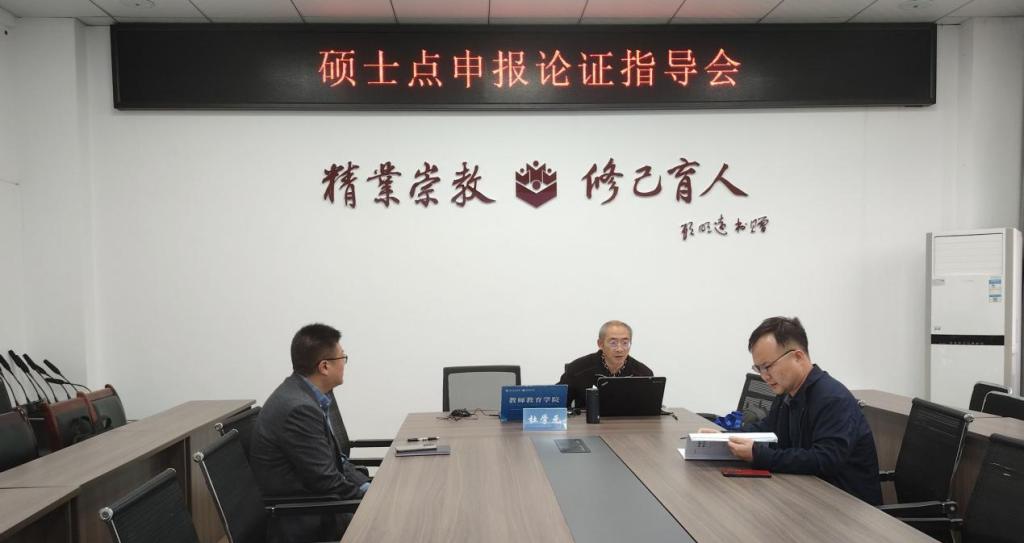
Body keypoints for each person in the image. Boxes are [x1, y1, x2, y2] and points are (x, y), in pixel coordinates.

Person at [722, 316, 882, 505]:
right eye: (759, 369)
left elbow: (824, 459)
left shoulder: (832, 398)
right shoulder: (787, 393)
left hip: (848, 507)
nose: (764, 376)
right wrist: (722, 437)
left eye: (767, 367)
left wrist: (759, 455)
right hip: (809, 496)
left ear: (797, 357)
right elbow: (766, 428)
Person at [250, 323, 370, 542]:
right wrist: (372, 500)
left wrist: (367, 487)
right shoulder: (299, 409)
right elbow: (327, 481)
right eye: (342, 357)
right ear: (324, 366)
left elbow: (336, 461)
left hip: (318, 505)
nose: (344, 364)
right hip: (308, 520)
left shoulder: (307, 395)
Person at [558, 320, 653, 409]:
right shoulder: (577, 369)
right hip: (589, 420)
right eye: (613, 343)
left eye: (625, 343)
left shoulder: (643, 374)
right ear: (600, 344)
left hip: (630, 421)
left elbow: (650, 410)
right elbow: (557, 404)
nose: (619, 349)